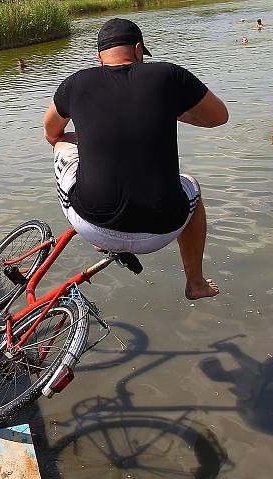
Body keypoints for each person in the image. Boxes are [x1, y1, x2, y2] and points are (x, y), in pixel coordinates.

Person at [43, 18, 228, 300]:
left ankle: (98, 240)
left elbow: (50, 132)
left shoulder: (76, 82)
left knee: (61, 143)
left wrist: (91, 136)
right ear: (139, 50)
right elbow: (219, 117)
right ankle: (195, 281)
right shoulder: (169, 75)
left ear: (99, 57)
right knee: (192, 186)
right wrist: (169, 110)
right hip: (162, 230)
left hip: (92, 225)